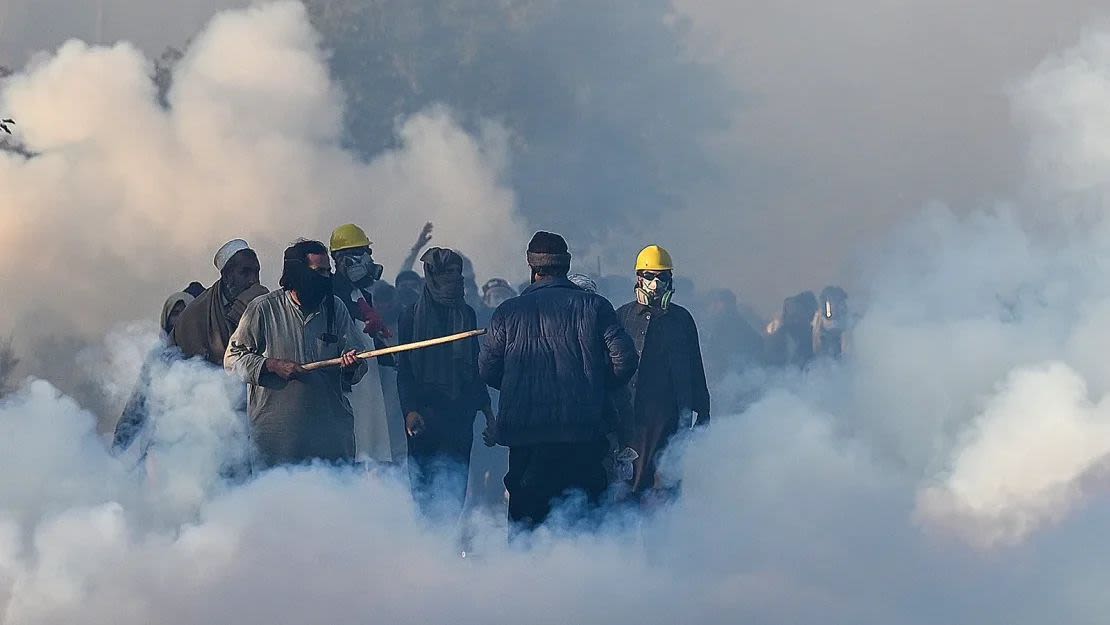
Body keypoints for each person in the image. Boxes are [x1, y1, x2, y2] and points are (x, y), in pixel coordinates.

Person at [479, 231, 638, 532]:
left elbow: (488, 369)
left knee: (528, 528)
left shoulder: (507, 313)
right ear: (565, 266)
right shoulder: (596, 307)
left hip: (526, 439)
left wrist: (518, 387)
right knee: (583, 525)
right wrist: (593, 385)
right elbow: (625, 360)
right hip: (582, 435)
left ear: (532, 268)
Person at [225, 239, 367, 469]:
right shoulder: (263, 308)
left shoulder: (335, 308)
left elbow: (359, 358)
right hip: (278, 442)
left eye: (327, 271)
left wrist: (352, 365)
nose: (325, 278)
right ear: (299, 273)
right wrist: (271, 365)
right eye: (318, 271)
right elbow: (233, 359)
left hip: (330, 438)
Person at [398, 247, 493, 520]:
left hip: (459, 417)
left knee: (455, 491)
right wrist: (410, 411)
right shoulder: (410, 317)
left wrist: (487, 413)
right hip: (424, 418)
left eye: (458, 273)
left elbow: (475, 369)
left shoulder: (467, 315)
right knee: (424, 491)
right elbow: (404, 371)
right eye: (448, 273)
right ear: (433, 276)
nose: (455, 279)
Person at [615, 245, 710, 500]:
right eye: (649, 275)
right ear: (638, 277)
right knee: (628, 493)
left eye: (662, 276)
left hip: (670, 421)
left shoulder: (682, 319)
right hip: (632, 424)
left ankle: (661, 539)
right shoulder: (622, 317)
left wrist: (703, 413)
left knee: (665, 493)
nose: (655, 283)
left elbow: (695, 369)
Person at [329, 224, 405, 464]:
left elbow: (369, 339)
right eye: (362, 252)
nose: (368, 258)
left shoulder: (363, 295)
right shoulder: (332, 295)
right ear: (342, 259)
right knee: (357, 446)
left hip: (371, 384)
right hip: (350, 386)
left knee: (375, 445)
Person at [172, 239, 269, 365]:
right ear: (227, 276)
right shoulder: (196, 314)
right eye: (245, 273)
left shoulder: (263, 300)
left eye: (256, 272)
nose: (253, 280)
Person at [764, 291, 819, 367]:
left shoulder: (818, 337)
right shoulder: (780, 337)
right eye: (791, 316)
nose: (794, 321)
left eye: (797, 316)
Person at [812, 286, 850, 359]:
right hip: (824, 359)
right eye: (833, 302)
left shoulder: (847, 319)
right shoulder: (819, 318)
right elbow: (816, 343)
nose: (836, 305)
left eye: (839, 301)